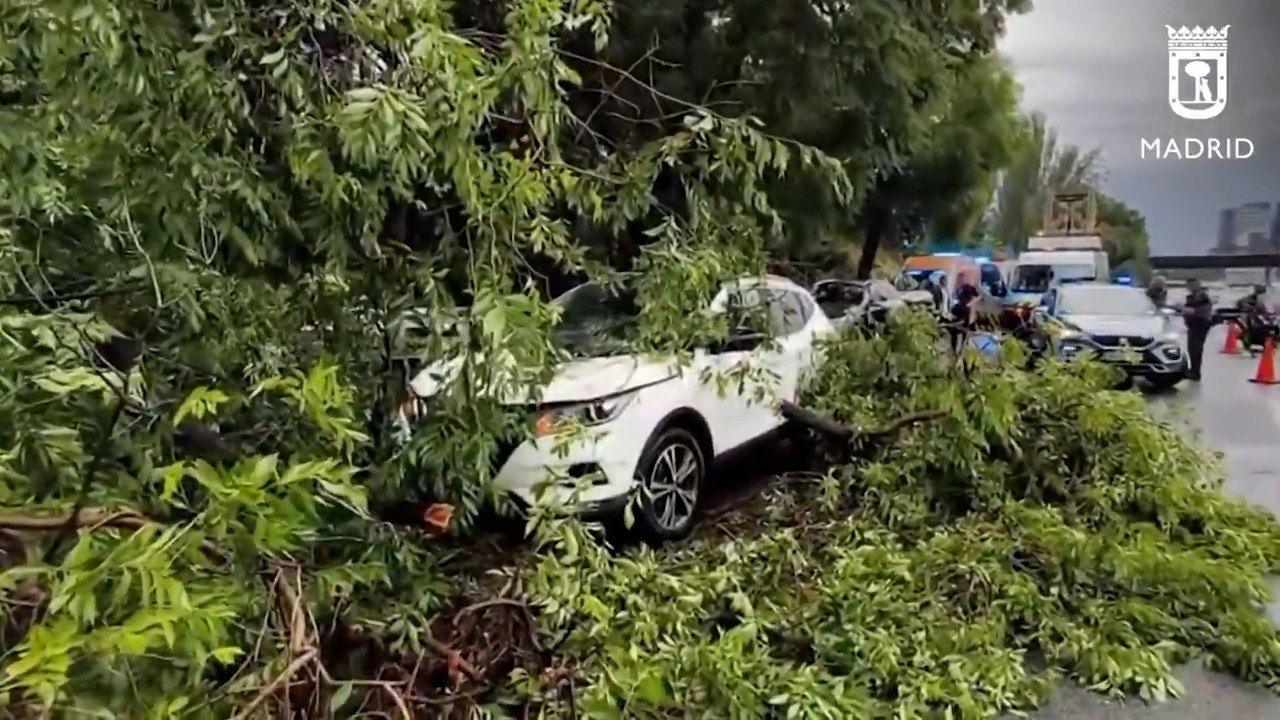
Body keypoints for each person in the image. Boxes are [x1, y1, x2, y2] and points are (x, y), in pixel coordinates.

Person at [1180, 279, 1214, 381]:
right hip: (1193, 324)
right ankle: (1193, 370)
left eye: (1191, 285)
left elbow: (1201, 310)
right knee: (1192, 348)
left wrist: (1186, 310)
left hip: (1200, 324)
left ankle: (1196, 372)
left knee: (1196, 348)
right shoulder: (1191, 297)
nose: (1189, 288)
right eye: (1188, 286)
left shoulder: (1202, 297)